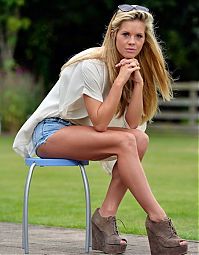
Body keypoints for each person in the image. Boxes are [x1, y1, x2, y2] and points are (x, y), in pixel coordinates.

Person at [13, 4, 188, 255]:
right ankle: (158, 220)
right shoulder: (91, 65)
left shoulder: (134, 67)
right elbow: (101, 123)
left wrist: (137, 85)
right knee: (128, 142)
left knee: (139, 140)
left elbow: (131, 123)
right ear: (113, 34)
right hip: (52, 132)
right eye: (126, 34)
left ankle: (105, 218)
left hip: (83, 134)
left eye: (139, 36)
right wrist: (119, 82)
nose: (132, 42)